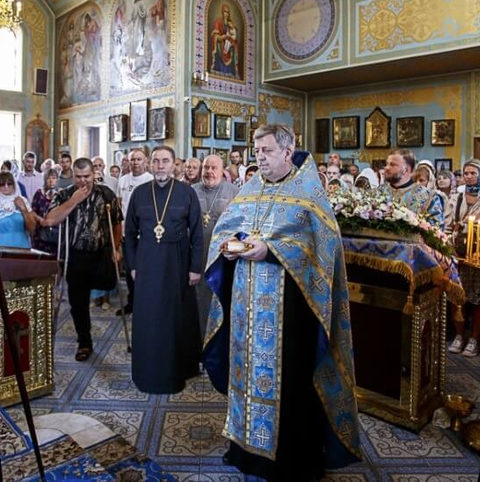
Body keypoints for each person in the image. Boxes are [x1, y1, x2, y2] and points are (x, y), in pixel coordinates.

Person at [203, 124, 359, 480]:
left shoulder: (308, 192)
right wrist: (229, 245)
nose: (260, 157)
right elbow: (227, 228)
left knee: (290, 383)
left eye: (267, 151)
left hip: (291, 313)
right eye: (257, 151)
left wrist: (271, 249)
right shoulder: (251, 186)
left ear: (288, 152)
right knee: (245, 375)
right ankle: (245, 452)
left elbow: (322, 249)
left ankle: (290, 461)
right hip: (246, 308)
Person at [124, 146, 203, 393]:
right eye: (156, 161)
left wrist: (195, 268)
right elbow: (129, 235)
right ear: (150, 164)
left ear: (173, 165)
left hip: (177, 261)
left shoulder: (186, 193)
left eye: (165, 161)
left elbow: (197, 234)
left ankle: (177, 370)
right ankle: (147, 371)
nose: (160, 166)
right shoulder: (139, 193)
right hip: (147, 261)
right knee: (149, 317)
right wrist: (133, 265)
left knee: (174, 317)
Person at [42, 158, 122, 361]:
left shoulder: (106, 194)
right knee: (78, 302)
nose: (83, 181)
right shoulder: (64, 194)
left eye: (87, 176)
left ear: (94, 173)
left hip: (101, 254)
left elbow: (117, 222)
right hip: (75, 256)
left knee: (109, 286)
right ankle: (84, 341)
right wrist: (73, 201)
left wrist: (117, 247)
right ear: (73, 175)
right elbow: (51, 219)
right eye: (78, 177)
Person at [444, 159, 480, 358]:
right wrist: (449, 244)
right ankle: (459, 336)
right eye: (466, 173)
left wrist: (479, 248)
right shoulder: (457, 195)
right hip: (457, 252)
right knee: (458, 297)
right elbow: (449, 223)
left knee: (477, 299)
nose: (468, 176)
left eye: (473, 173)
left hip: (478, 253)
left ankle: (474, 339)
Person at [191, 154, 238, 336]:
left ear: (222, 170)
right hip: (197, 256)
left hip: (221, 258)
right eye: (206, 168)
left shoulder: (234, 193)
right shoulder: (191, 191)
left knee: (219, 299)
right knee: (197, 300)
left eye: (214, 168)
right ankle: (197, 340)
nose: (209, 172)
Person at [116, 148, 153, 315]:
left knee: (146, 269)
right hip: (126, 233)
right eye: (133, 159)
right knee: (130, 268)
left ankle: (146, 302)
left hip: (146, 234)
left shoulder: (151, 180)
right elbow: (118, 205)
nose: (136, 162)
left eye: (139, 159)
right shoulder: (123, 180)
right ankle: (132, 302)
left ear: (145, 162)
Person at [380, 150, 445, 228]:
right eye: (387, 164)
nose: (386, 168)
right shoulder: (377, 193)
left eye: (392, 165)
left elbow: (436, 230)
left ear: (406, 170)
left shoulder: (429, 197)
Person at [0, 171, 35, 248]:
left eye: (9, 184)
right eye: (2, 184)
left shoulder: (23, 200)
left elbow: (32, 229)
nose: (6, 187)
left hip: (22, 246)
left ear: (14, 185)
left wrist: (23, 209)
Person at [31, 167, 60, 255]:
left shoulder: (61, 193)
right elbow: (33, 212)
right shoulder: (39, 193)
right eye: (48, 178)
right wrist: (40, 220)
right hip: (41, 231)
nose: (51, 180)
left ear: (57, 180)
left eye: (53, 178)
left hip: (56, 232)